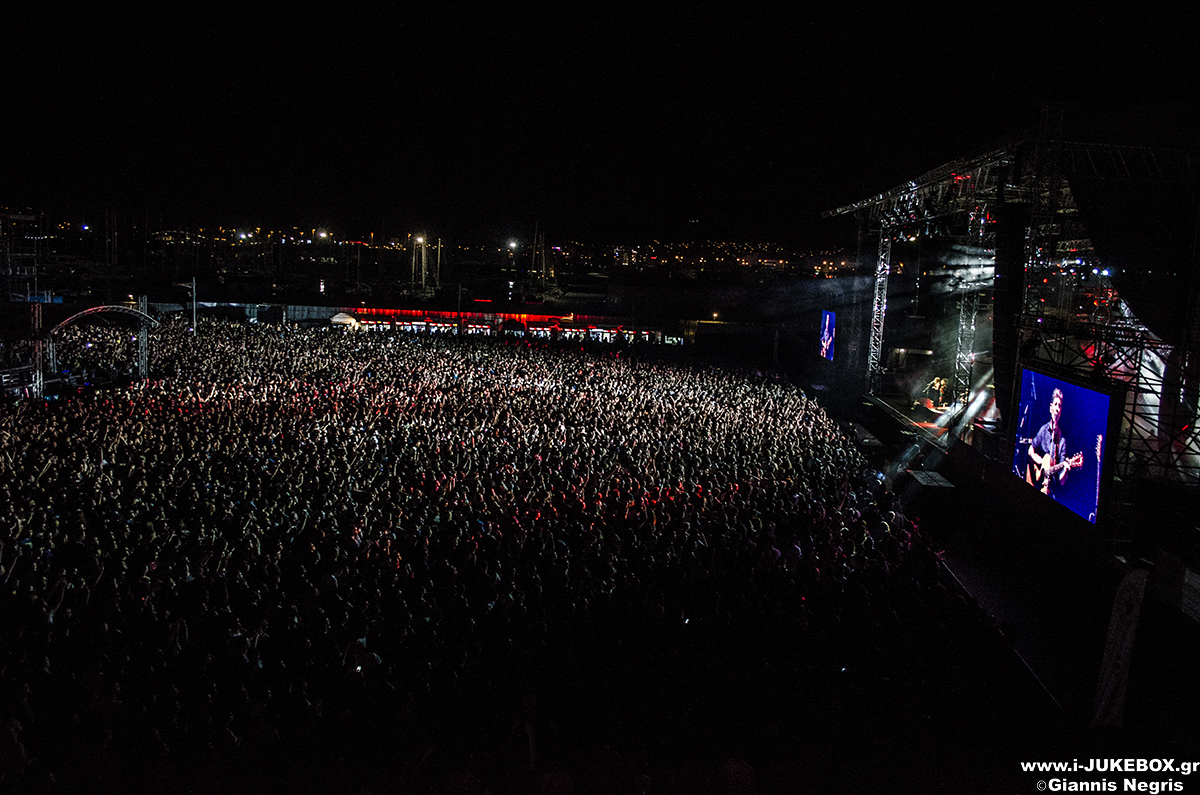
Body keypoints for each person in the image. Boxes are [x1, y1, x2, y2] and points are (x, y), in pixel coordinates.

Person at [1026, 388, 1080, 496]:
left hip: (1050, 491)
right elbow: (1030, 449)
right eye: (1055, 405)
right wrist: (1040, 461)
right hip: (1036, 484)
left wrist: (1066, 469)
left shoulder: (1062, 441)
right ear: (1051, 408)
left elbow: (1061, 481)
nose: (1057, 409)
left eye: (1059, 406)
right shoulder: (1043, 430)